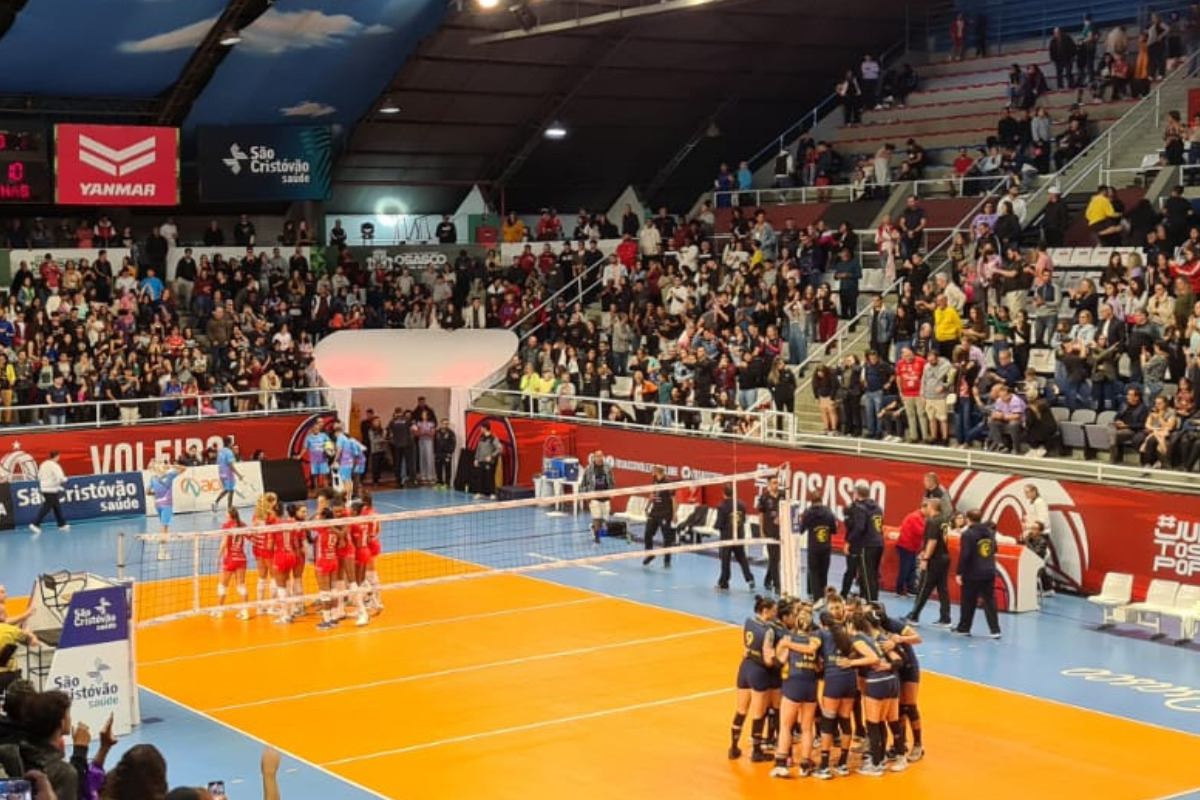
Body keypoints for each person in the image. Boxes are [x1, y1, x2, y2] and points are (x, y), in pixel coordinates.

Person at [770, 600, 821, 778]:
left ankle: (782, 764)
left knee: (786, 726)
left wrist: (778, 650)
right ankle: (805, 764)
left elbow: (779, 661)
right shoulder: (816, 640)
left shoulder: (787, 639)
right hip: (810, 686)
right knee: (807, 728)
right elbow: (819, 666)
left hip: (793, 685)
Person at [728, 595, 777, 762]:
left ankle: (733, 747)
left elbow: (746, 648)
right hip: (758, 672)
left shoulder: (748, 622)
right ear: (765, 611)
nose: (775, 613)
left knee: (741, 710)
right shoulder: (768, 631)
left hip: (744, 668)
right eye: (773, 611)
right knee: (759, 712)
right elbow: (768, 660)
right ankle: (756, 751)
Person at [905, 498, 953, 628]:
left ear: (931, 507)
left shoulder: (932, 521)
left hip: (935, 559)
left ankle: (914, 616)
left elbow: (932, 541)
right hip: (944, 557)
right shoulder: (944, 520)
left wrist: (925, 558)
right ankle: (945, 617)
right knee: (942, 588)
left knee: (924, 587)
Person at [955, 510, 1002, 638]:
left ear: (968, 519)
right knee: (990, 600)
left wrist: (959, 572)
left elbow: (965, 554)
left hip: (972, 572)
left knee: (968, 600)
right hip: (989, 571)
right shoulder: (990, 532)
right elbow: (995, 549)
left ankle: (964, 627)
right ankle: (995, 630)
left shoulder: (967, 534)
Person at [841, 481, 884, 602]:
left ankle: (871, 603)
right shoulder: (877, 507)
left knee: (866, 575)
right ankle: (873, 599)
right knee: (874, 574)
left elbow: (860, 527)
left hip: (868, 545)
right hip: (879, 543)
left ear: (856, 494)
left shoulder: (860, 508)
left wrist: (849, 542)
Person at [715, 485, 755, 591]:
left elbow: (719, 524)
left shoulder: (721, 506)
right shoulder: (742, 504)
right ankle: (750, 579)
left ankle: (724, 583)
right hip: (739, 536)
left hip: (726, 538)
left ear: (723, 493)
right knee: (742, 558)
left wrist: (717, 527)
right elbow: (743, 520)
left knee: (725, 561)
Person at [799, 491, 836, 601]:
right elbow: (834, 530)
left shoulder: (807, 513)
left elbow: (800, 530)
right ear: (821, 500)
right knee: (823, 571)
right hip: (826, 547)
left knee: (813, 571)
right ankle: (822, 595)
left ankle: (816, 597)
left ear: (811, 501)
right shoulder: (829, 513)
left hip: (813, 547)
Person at [214, 508, 249, 619]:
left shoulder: (227, 525)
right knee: (241, 585)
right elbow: (251, 536)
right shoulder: (242, 524)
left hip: (230, 559)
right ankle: (245, 611)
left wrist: (218, 556)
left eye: (226, 512)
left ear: (229, 515)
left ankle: (219, 610)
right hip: (241, 558)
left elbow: (224, 542)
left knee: (223, 585)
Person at [148, 461, 186, 561]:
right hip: (166, 505)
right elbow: (184, 468)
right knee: (164, 529)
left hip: (158, 505)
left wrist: (156, 494)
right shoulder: (170, 475)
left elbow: (147, 492)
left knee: (163, 527)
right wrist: (172, 465)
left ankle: (163, 551)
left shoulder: (153, 478)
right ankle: (161, 552)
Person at [641, 465, 675, 568]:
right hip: (655, 512)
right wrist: (647, 507)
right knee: (647, 534)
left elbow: (674, 499)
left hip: (665, 513)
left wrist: (674, 514)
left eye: (653, 470)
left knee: (666, 538)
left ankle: (667, 560)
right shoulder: (654, 480)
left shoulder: (668, 483)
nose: (652, 472)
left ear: (658, 471)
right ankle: (650, 554)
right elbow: (652, 494)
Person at [580, 450, 616, 543]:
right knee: (597, 518)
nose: (599, 458)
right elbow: (583, 484)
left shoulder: (607, 468)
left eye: (601, 456)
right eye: (597, 456)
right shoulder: (589, 469)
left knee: (604, 520)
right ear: (594, 457)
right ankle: (597, 538)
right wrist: (587, 496)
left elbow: (612, 481)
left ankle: (594, 527)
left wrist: (612, 492)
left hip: (606, 497)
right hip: (594, 498)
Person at [29, 451, 69, 535]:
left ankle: (62, 524)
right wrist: (65, 479)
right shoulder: (55, 465)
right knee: (47, 507)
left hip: (45, 488)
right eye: (59, 457)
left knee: (56, 506)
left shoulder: (43, 464)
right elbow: (60, 477)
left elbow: (39, 476)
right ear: (57, 457)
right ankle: (35, 524)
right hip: (51, 489)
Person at [756, 475, 784, 593]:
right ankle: (777, 585)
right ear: (768, 485)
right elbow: (761, 515)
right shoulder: (764, 497)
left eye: (777, 482)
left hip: (781, 531)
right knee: (774, 558)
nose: (776, 485)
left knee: (776, 559)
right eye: (773, 483)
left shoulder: (783, 495)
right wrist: (761, 530)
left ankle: (767, 580)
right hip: (769, 531)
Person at [211, 436, 243, 513]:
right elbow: (231, 465)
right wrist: (239, 474)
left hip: (221, 472)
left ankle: (217, 503)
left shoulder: (221, 451)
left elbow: (218, 462)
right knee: (230, 490)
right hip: (228, 473)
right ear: (230, 443)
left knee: (228, 489)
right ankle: (228, 507)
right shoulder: (229, 452)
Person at [472, 424, 501, 499]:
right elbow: (478, 449)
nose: (480, 429)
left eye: (481, 428)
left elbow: (499, 449)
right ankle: (479, 493)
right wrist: (476, 459)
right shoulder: (481, 438)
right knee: (479, 477)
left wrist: (491, 456)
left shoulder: (493, 438)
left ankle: (492, 493)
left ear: (485, 428)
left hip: (489, 462)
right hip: (480, 461)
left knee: (489, 477)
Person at [304, 424, 331, 490]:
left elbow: (329, 444)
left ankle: (326, 491)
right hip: (314, 460)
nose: (316, 429)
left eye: (317, 428)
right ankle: (317, 491)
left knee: (325, 475)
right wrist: (299, 456)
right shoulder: (308, 438)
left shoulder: (324, 436)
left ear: (319, 429)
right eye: (314, 428)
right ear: (312, 429)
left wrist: (328, 451)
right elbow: (305, 448)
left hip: (323, 459)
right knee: (315, 476)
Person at [433, 419, 457, 490]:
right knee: (438, 469)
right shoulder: (437, 432)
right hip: (438, 453)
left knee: (447, 469)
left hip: (446, 454)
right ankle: (439, 483)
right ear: (441, 424)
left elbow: (453, 444)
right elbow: (434, 442)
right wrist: (435, 452)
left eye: (447, 424)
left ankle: (447, 483)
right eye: (444, 423)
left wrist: (450, 453)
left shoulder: (451, 433)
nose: (445, 425)